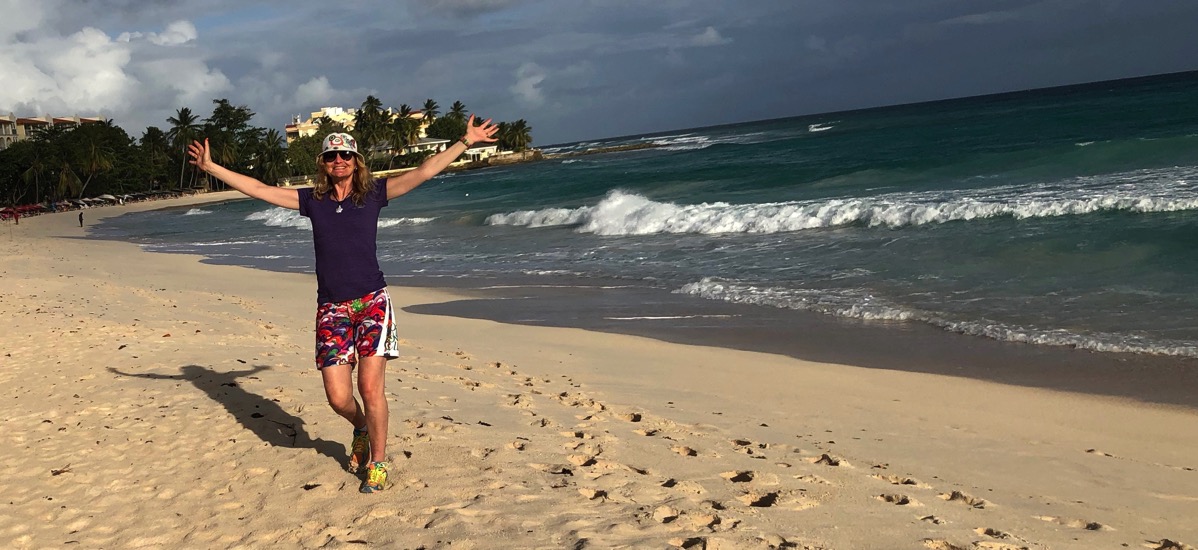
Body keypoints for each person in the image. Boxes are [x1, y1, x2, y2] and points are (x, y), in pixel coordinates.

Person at [187, 116, 498, 493]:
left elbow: (424, 171)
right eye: (332, 156)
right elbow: (258, 188)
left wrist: (465, 141)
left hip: (372, 302)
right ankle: (361, 428)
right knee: (338, 398)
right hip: (331, 308)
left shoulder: (374, 194)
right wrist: (211, 167)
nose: (339, 160)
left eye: (346, 155)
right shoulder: (312, 201)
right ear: (323, 163)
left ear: (356, 160)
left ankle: (378, 463)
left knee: (370, 387)